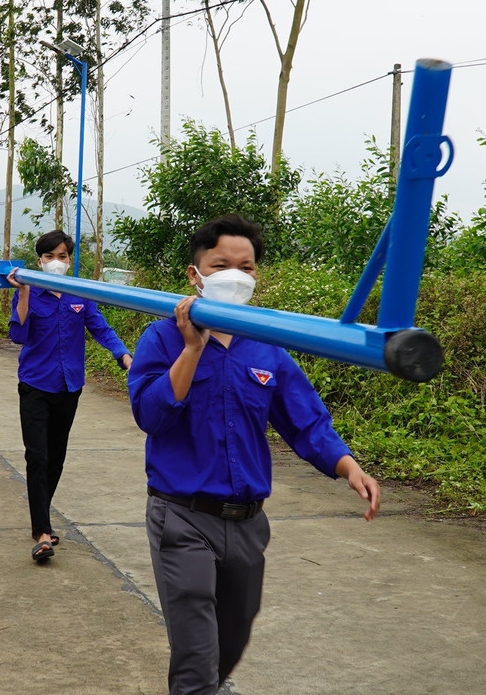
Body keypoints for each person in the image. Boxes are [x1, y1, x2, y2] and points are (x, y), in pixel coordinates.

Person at [127, 214, 381, 695]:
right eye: (221, 264)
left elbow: (306, 421)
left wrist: (350, 468)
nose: (234, 275)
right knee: (197, 657)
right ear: (195, 274)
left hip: (247, 524)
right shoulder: (161, 339)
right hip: (182, 517)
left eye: (246, 267)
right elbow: (152, 416)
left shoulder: (267, 347)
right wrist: (191, 350)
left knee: (232, 639)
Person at [5, 230, 133, 563]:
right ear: (39, 261)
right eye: (50, 257)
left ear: (70, 260)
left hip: (69, 385)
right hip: (35, 385)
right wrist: (22, 295)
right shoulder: (30, 292)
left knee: (56, 457)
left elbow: (100, 326)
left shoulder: (80, 294)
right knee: (37, 456)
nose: (57, 262)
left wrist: (123, 356)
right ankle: (43, 532)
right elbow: (18, 335)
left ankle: (41, 521)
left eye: (63, 257)